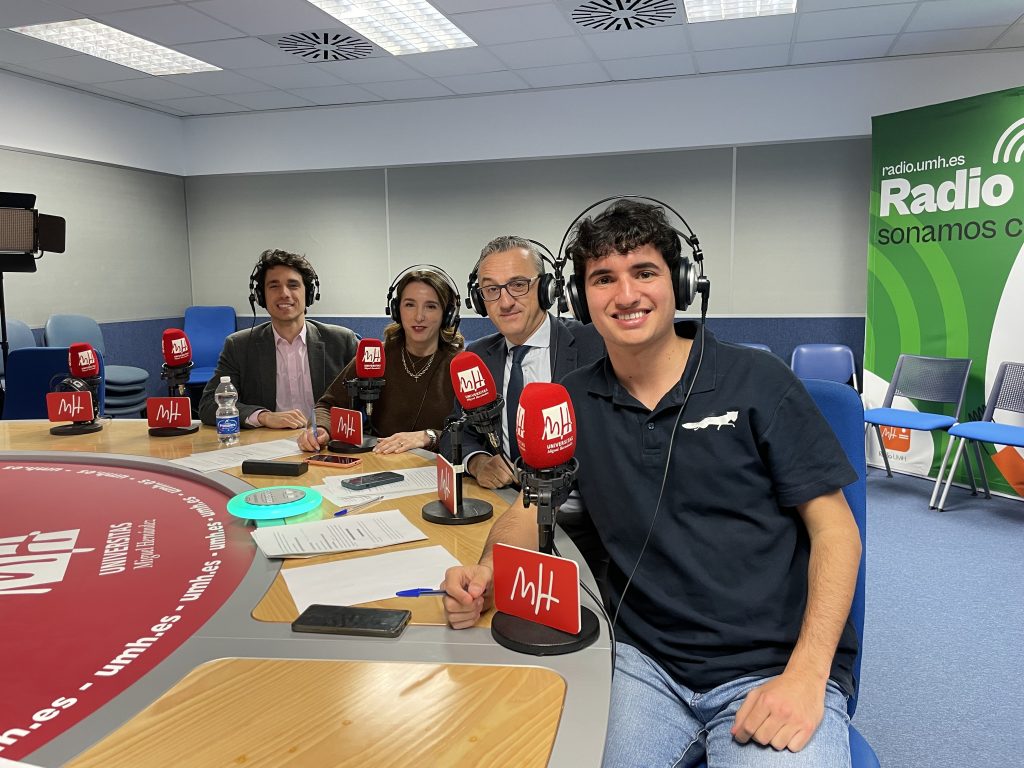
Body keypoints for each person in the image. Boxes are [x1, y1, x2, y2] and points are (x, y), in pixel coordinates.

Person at [442, 200, 863, 767]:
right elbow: (531, 507)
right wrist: (488, 573)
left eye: (644, 272)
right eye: (603, 278)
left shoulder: (759, 381)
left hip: (771, 666)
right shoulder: (573, 399)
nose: (625, 295)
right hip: (639, 662)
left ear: (680, 284)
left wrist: (808, 675)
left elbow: (836, 531)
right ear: (578, 298)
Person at [447, 235, 604, 488]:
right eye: (492, 290)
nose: (506, 302)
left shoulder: (595, 344)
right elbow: (455, 430)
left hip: (578, 506)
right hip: (505, 499)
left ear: (546, 289)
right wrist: (477, 461)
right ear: (479, 301)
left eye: (518, 285)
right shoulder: (478, 356)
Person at [298, 267, 464, 455]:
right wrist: (322, 429)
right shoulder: (375, 355)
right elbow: (327, 406)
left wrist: (428, 436)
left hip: (436, 468)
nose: (419, 316)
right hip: (380, 462)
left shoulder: (461, 366)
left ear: (448, 314)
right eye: (410, 305)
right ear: (396, 310)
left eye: (431, 306)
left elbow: (473, 435)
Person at [199, 249, 357, 429]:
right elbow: (209, 405)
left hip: (326, 439)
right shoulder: (239, 346)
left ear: (309, 293)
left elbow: (373, 400)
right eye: (274, 286)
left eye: (293, 285)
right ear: (261, 296)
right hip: (268, 441)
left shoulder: (342, 341)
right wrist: (263, 416)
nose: (284, 294)